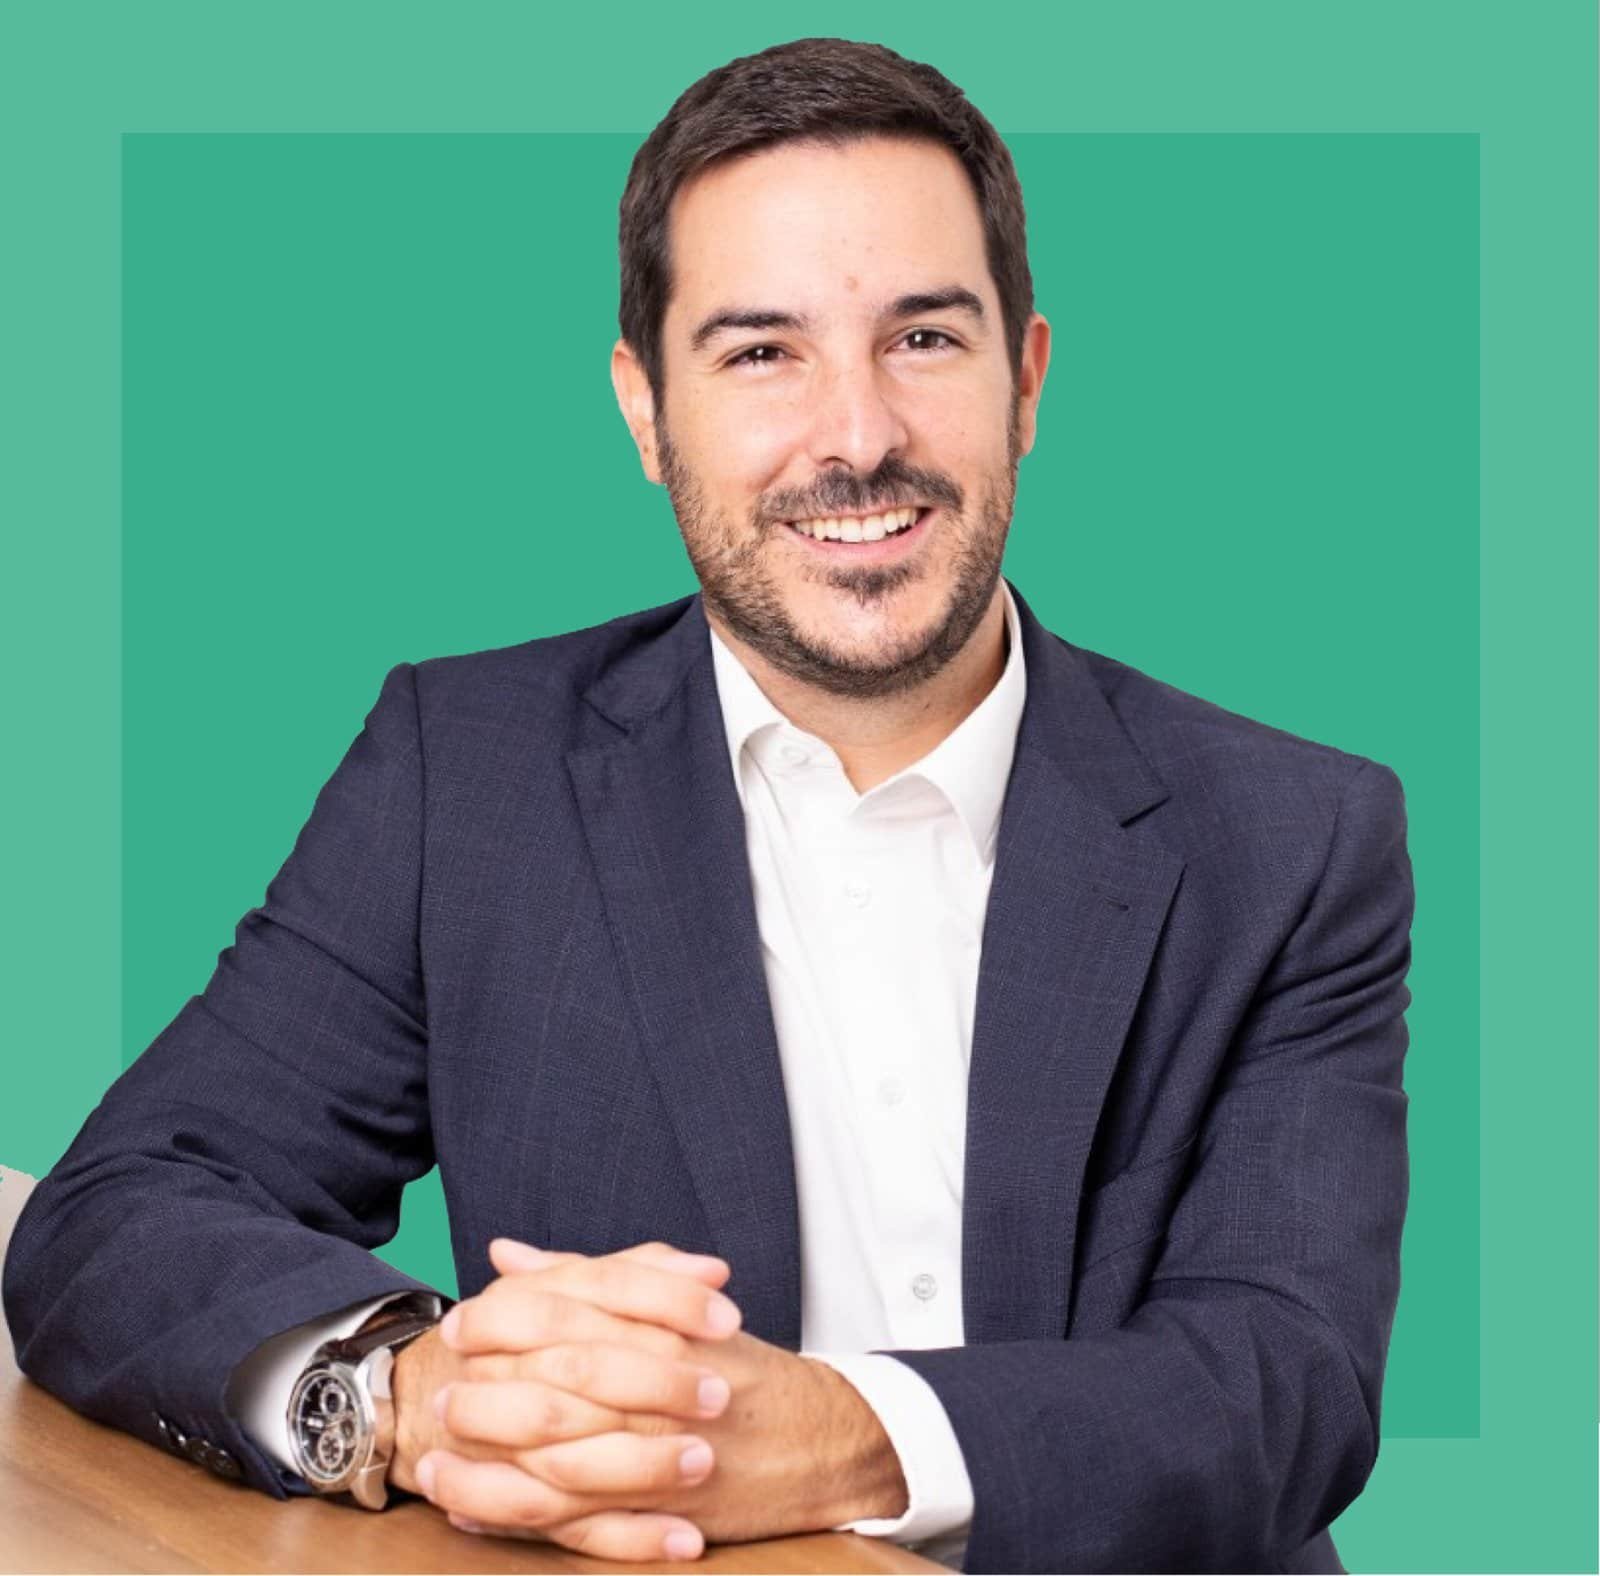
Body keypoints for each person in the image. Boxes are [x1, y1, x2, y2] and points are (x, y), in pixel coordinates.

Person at [1, 36, 1414, 1575]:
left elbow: (1287, 1385)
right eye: (760, 353)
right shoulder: (463, 771)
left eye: (923, 338)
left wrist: (837, 1435)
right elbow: (119, 1213)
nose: (857, 435)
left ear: (1025, 379)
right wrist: (411, 1393)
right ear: (646, 411)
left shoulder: (1292, 837)